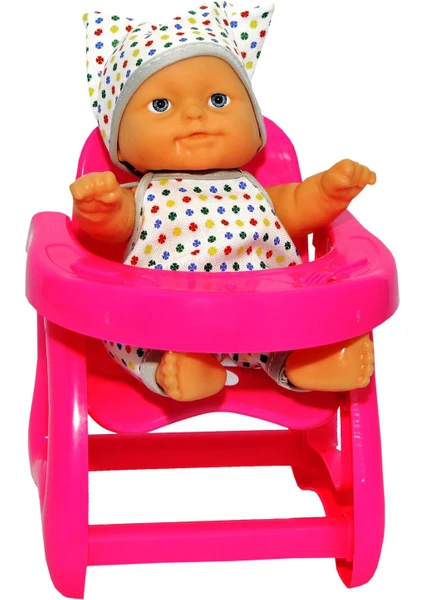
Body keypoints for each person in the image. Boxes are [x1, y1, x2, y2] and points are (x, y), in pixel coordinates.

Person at [71, 3, 375, 401]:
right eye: (161, 105)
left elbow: (297, 205)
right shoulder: (141, 195)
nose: (195, 115)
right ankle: (176, 370)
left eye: (218, 100)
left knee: (298, 324)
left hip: (262, 312)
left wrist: (328, 191)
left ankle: (304, 362)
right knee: (127, 334)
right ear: (120, 144)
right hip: (166, 319)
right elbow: (115, 227)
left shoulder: (253, 188)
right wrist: (101, 209)